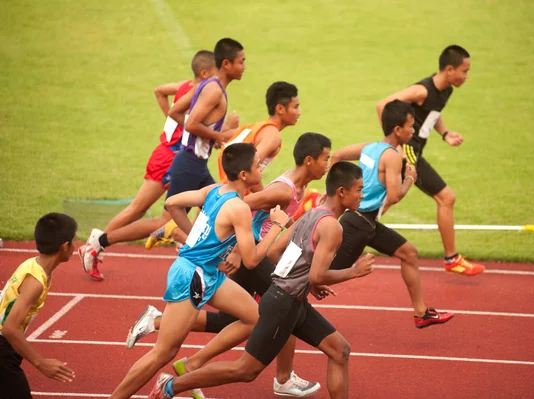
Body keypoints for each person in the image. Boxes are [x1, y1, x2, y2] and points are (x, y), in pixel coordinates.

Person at [146, 161, 374, 399]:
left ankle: (175, 378)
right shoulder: (332, 228)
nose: (361, 195)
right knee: (245, 369)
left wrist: (306, 282)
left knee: (340, 350)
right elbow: (317, 274)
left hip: (292, 301)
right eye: (359, 189)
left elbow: (277, 253)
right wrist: (354, 271)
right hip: (284, 304)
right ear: (342, 192)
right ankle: (170, 386)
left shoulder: (311, 215)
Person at [127, 133, 332, 398]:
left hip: (239, 253)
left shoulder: (295, 187)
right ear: (309, 160)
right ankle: (282, 379)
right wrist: (228, 244)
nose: (328, 164)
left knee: (248, 316)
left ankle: (170, 337)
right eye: (326, 158)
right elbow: (237, 206)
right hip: (244, 253)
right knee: (284, 306)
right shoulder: (282, 189)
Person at [109, 143, 288, 399]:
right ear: (245, 175)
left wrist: (194, 235)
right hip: (192, 275)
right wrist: (276, 227)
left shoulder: (215, 190)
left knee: (254, 317)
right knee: (164, 352)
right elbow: (251, 260)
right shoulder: (239, 209)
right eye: (258, 163)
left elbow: (172, 203)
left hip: (209, 275)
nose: (262, 166)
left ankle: (193, 362)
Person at [81, 38, 246, 280]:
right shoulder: (213, 90)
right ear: (227, 64)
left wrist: (208, 138)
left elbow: (174, 111)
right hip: (189, 164)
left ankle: (202, 258)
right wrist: (215, 135)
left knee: (219, 209)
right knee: (167, 220)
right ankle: (101, 241)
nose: (244, 66)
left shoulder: (207, 85)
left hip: (195, 164)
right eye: (241, 62)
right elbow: (190, 122)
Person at [330, 100, 454, 328]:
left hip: (365, 223)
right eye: (411, 126)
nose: (414, 131)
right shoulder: (392, 157)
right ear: (398, 130)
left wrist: (332, 194)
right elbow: (395, 195)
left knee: (409, 253)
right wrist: (410, 178)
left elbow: (336, 155)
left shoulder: (370, 147)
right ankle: (274, 297)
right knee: (321, 277)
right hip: (357, 227)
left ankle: (421, 312)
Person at [147, 80, 302, 248]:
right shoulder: (273, 136)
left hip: (224, 188)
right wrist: (263, 196)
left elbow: (225, 138)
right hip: (232, 195)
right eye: (295, 107)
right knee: (221, 250)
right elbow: (251, 165)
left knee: (213, 248)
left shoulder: (254, 127)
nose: (299, 112)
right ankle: (176, 232)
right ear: (280, 109)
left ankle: (180, 234)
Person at [375, 45, 484, 276]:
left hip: (414, 151)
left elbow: (433, 113)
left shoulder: (445, 90)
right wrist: (395, 146)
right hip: (408, 152)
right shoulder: (421, 91)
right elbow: (382, 105)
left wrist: (445, 133)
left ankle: (329, 222)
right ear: (449, 69)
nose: (467, 76)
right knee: (446, 198)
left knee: (382, 201)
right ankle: (451, 258)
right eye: (464, 71)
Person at [0, 213, 78, 398]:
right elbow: (10, 328)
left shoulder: (32, 265)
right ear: (64, 247)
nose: (75, 247)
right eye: (74, 242)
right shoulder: (36, 282)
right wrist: (40, 363)